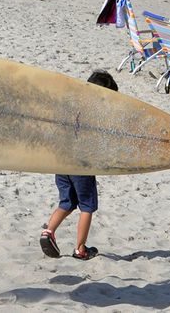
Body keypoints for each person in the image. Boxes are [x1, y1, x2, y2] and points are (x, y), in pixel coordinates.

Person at [38, 70, 117, 261]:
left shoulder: (71, 106)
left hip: (62, 162)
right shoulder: (95, 115)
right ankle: (80, 249)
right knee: (87, 206)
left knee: (66, 202)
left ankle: (48, 232)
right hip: (81, 166)